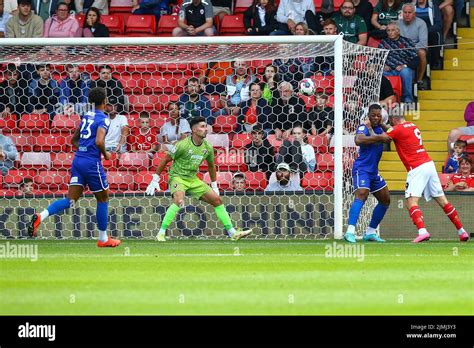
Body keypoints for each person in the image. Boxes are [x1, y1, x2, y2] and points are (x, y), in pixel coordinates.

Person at [27, 87, 121, 247]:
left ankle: (40, 216)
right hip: (91, 163)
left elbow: (73, 140)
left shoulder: (86, 116)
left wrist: (85, 149)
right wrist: (106, 155)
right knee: (103, 199)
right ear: (105, 101)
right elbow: (99, 141)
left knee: (70, 200)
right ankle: (103, 239)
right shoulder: (103, 119)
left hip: (78, 161)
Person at [145, 116, 252, 242]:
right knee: (179, 201)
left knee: (217, 200)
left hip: (193, 179)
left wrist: (214, 186)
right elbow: (165, 159)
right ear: (194, 130)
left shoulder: (207, 147)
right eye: (202, 126)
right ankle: (161, 233)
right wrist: (155, 179)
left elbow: (211, 166)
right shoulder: (182, 145)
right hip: (178, 178)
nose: (206, 129)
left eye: (206, 126)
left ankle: (232, 233)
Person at [384, 113, 469, 242]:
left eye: (391, 122)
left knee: (410, 201)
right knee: (442, 200)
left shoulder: (398, 129)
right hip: (429, 164)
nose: (391, 124)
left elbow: (384, 137)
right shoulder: (413, 126)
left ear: (394, 119)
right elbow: (394, 131)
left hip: (417, 167)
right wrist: (384, 126)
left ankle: (422, 232)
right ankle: (462, 231)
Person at [344, 104, 391, 243]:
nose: (376, 117)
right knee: (362, 194)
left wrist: (383, 127)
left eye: (378, 115)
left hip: (374, 172)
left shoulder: (381, 128)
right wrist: (379, 138)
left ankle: (370, 232)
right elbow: (358, 140)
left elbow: (393, 132)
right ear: (368, 116)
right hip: (362, 169)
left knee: (385, 200)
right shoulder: (363, 127)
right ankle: (350, 232)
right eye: (373, 115)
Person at [378, 21, 418, 103]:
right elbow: (377, 58)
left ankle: (407, 99)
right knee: (379, 73)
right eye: (388, 30)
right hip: (388, 71)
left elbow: (416, 60)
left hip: (402, 70)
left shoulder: (407, 42)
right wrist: (383, 65)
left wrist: (404, 66)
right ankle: (384, 100)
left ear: (398, 31)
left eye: (392, 30)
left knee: (406, 72)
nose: (390, 32)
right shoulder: (383, 42)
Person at [398, 3, 429, 90]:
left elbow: (423, 43)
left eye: (410, 12)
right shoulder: (397, 23)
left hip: (416, 48)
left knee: (422, 53)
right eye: (405, 12)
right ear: (402, 13)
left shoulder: (421, 23)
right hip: (401, 48)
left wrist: (409, 48)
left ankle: (419, 80)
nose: (407, 15)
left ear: (414, 14)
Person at [415, 0, 442, 70]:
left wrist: (424, 31)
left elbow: (438, 24)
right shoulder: (411, 7)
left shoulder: (433, 7)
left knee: (434, 36)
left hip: (430, 32)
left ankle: (433, 63)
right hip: (415, 32)